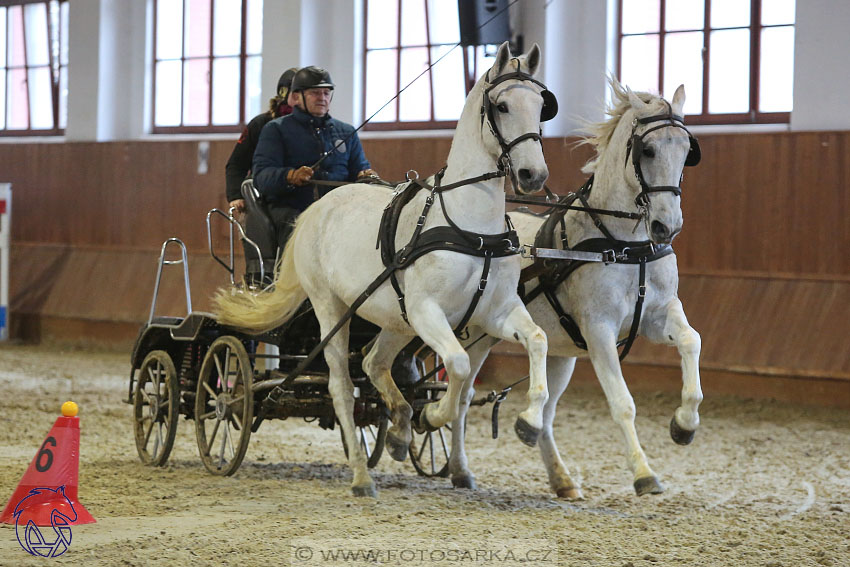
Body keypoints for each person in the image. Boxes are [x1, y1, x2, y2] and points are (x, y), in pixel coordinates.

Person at [252, 66, 376, 251]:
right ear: (296, 97)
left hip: (340, 209)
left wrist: (366, 175)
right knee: (301, 229)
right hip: (293, 209)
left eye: (326, 93)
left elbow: (359, 167)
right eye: (315, 93)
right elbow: (261, 177)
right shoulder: (275, 130)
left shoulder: (346, 131)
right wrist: (290, 176)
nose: (322, 98)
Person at [225, 67, 299, 214]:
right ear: (285, 94)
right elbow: (236, 164)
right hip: (266, 198)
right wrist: (236, 195)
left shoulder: (318, 125)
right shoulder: (260, 124)